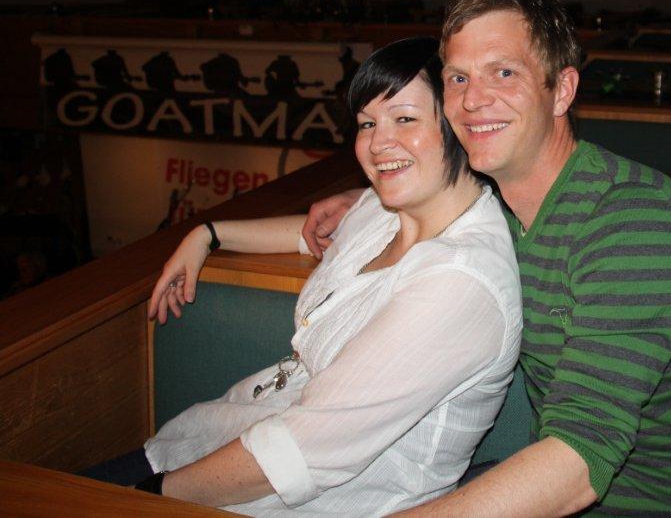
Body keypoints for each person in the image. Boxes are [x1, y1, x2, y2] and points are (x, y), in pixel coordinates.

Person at [303, 0, 671, 516]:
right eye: (458, 78)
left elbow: (577, 462)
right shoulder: (496, 202)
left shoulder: (635, 224)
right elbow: (415, 202)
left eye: (504, 72)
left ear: (562, 90)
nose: (473, 99)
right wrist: (361, 200)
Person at [138, 36, 523, 515]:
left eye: (404, 118)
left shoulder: (459, 282)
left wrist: (143, 498)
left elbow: (300, 452)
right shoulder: (391, 210)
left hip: (322, 499)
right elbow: (313, 235)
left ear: (457, 123)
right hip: (225, 432)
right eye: (367, 123)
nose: (378, 144)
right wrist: (208, 234)